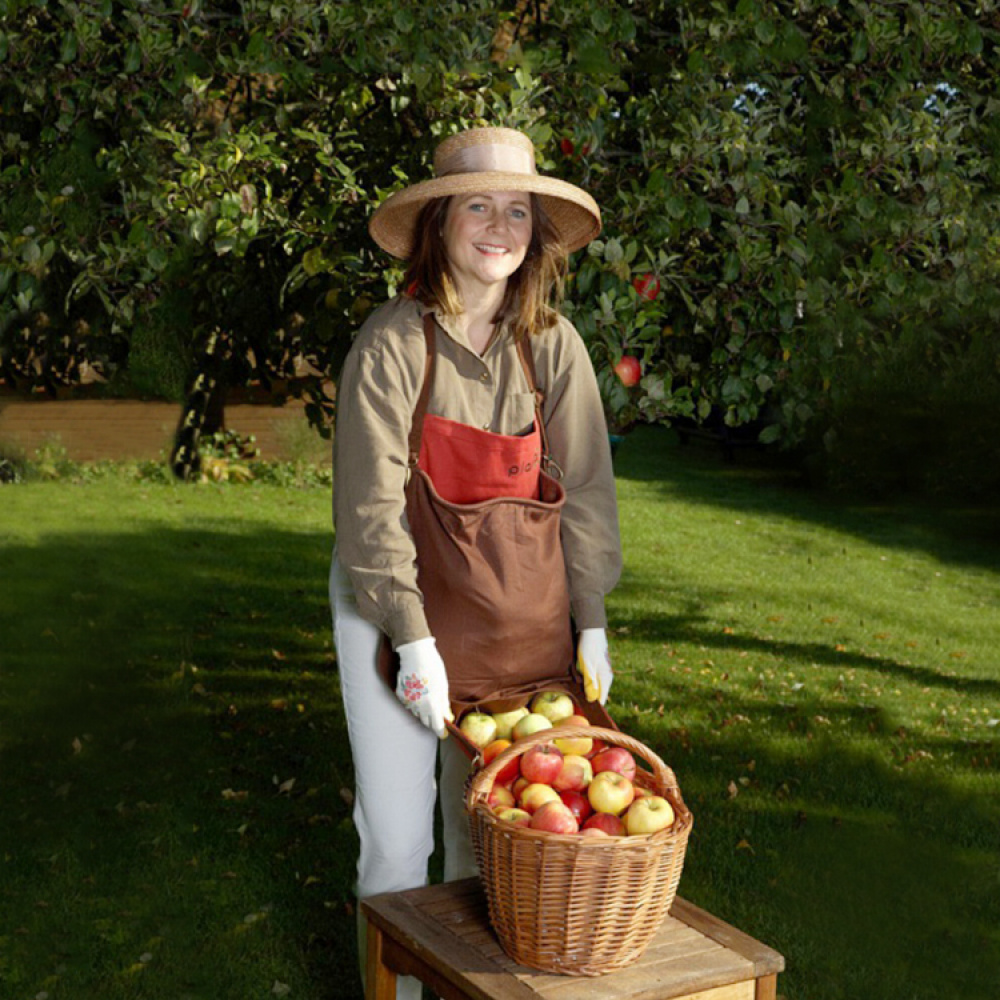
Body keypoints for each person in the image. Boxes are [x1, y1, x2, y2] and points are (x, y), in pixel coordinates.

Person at [329, 126, 622, 998]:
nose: (500, 226)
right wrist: (413, 642)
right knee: (395, 831)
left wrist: (593, 619)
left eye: (518, 210)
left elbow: (589, 492)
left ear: (536, 233)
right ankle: (399, 990)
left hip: (512, 612)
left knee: (492, 823)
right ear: (440, 225)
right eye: (478, 206)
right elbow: (370, 513)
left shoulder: (554, 346)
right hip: (391, 607)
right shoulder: (389, 344)